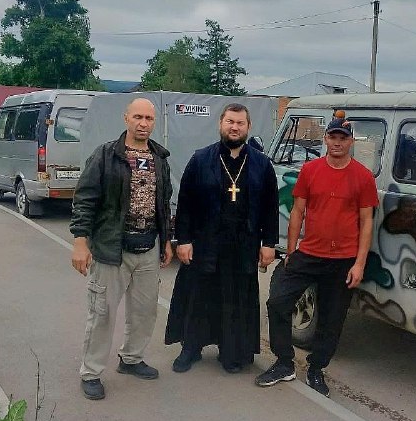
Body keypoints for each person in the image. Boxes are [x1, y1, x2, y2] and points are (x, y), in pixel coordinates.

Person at [256, 117, 378, 397]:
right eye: (333, 137)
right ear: (326, 139)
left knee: (332, 320)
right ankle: (284, 363)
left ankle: (316, 368)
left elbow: (366, 222)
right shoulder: (310, 170)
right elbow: (298, 211)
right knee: (277, 302)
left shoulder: (363, 177)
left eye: (343, 138)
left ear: (351, 141)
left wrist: (359, 264)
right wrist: (291, 251)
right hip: (309, 253)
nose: (337, 143)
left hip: (343, 260)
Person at [70, 98, 173, 400]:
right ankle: (91, 372)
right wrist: (80, 241)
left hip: (148, 246)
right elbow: (85, 198)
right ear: (126, 118)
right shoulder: (106, 155)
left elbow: (164, 203)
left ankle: (131, 358)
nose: (143, 123)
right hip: (112, 247)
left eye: (149, 119)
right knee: (102, 313)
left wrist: (166, 240)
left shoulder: (159, 158)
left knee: (144, 311)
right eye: (138, 117)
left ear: (154, 122)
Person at [165, 103, 279, 373]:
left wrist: (269, 244)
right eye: (230, 122)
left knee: (235, 300)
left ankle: (231, 351)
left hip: (243, 245)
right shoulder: (201, 159)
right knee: (198, 296)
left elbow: (270, 207)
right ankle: (191, 348)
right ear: (221, 124)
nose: (234, 127)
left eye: (240, 123)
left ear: (248, 127)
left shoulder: (262, 164)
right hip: (205, 243)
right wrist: (183, 239)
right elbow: (186, 203)